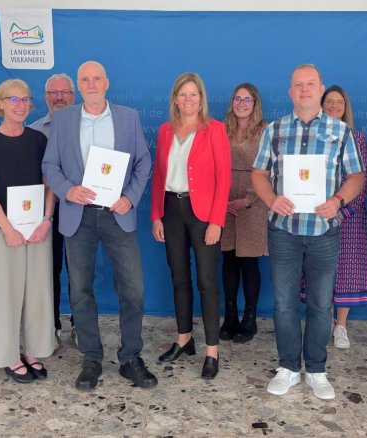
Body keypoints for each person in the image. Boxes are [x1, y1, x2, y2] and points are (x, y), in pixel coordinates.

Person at [41, 60, 157, 391]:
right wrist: (67, 190)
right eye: (84, 79)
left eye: (96, 78)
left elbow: (143, 161)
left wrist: (131, 197)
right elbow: (49, 164)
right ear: (79, 85)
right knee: (80, 291)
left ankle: (130, 357)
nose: (91, 84)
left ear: (106, 82)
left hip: (118, 212)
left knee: (133, 290)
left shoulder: (128, 117)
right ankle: (91, 357)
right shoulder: (63, 119)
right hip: (78, 214)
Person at [252, 64, 365, 401]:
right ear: (290, 92)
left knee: (319, 305)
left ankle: (316, 369)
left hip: (323, 232)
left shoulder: (340, 132)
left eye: (310, 84)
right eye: (298, 85)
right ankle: (287, 367)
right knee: (284, 304)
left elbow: (356, 176)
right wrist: (272, 199)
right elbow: (259, 173)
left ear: (321, 88)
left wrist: (337, 200)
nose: (304, 89)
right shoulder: (274, 130)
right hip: (284, 231)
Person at [150, 73, 231, 379]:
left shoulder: (215, 130)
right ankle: (184, 338)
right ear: (175, 98)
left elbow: (223, 179)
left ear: (201, 99)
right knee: (179, 277)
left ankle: (212, 349)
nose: (188, 100)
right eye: (182, 95)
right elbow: (159, 175)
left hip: (203, 214)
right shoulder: (164, 131)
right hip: (171, 209)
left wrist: (216, 221)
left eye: (193, 95)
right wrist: (156, 214)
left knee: (207, 281)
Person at [0, 79, 56, 384]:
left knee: (37, 292)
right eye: (14, 100)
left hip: (37, 230)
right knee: (5, 295)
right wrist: (8, 229)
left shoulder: (38, 140)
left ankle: (34, 349)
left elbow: (50, 186)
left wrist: (47, 220)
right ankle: (9, 354)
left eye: (26, 100)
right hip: (2, 232)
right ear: (0, 104)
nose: (21, 105)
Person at [320, 85, 367, 350]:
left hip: (349, 218)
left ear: (345, 107)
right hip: (318, 214)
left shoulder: (357, 138)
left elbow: (362, 183)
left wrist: (343, 211)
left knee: (346, 271)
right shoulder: (313, 136)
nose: (333, 106)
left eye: (338, 102)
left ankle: (340, 325)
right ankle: (324, 321)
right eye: (328, 101)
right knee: (321, 270)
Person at [218, 83, 269, 343]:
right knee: (228, 261)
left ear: (255, 103)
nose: (241, 103)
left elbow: (269, 169)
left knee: (249, 262)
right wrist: (222, 199)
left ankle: (249, 318)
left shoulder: (265, 131)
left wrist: (247, 199)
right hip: (224, 201)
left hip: (253, 201)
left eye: (247, 99)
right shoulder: (222, 129)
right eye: (237, 98)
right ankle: (229, 317)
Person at [29, 73, 77, 348]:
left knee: (79, 272)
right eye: (53, 93)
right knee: (48, 271)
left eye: (65, 93)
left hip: (79, 211)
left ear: (74, 96)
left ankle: (79, 325)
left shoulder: (87, 128)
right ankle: (52, 326)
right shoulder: (34, 131)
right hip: (44, 214)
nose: (59, 97)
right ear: (45, 97)